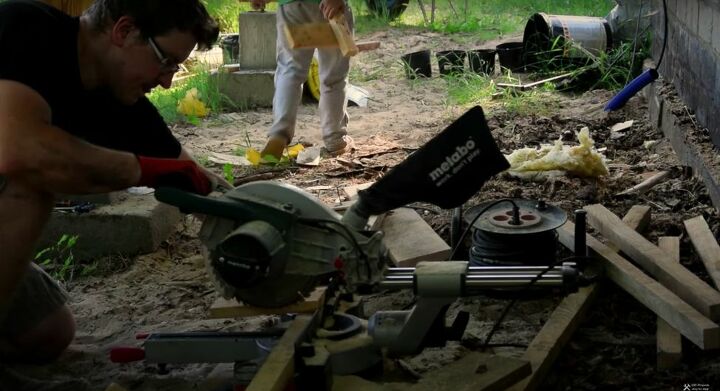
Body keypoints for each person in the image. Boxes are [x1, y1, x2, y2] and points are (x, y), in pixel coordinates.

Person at [0, 0, 225, 364]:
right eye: (165, 60)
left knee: (48, 333)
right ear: (124, 31)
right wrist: (138, 169)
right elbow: (18, 152)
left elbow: (191, 178)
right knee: (28, 187)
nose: (168, 80)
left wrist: (261, 216)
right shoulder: (25, 28)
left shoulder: (119, 95)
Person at [253, 0, 355, 159]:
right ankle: (335, 137)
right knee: (333, 76)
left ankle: (279, 134)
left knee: (290, 71)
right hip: (331, 7)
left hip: (292, 6)